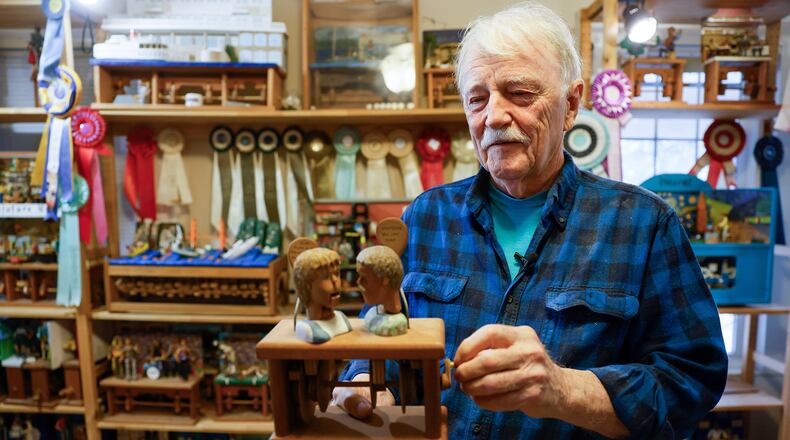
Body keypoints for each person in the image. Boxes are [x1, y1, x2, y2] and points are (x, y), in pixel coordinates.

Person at [334, 2, 728, 438]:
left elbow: (692, 377)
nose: (494, 116)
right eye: (477, 99)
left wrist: (564, 390)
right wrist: (361, 384)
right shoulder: (426, 216)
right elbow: (378, 332)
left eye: (520, 93)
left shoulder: (643, 224)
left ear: (572, 104)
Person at [292, 247, 352, 344]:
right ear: (306, 285)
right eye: (326, 277)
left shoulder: (343, 319)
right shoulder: (309, 331)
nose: (335, 281)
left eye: (337, 274)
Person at [355, 245, 409, 336]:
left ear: (385, 280)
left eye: (365, 277)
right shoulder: (372, 314)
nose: (358, 282)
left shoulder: (393, 325)